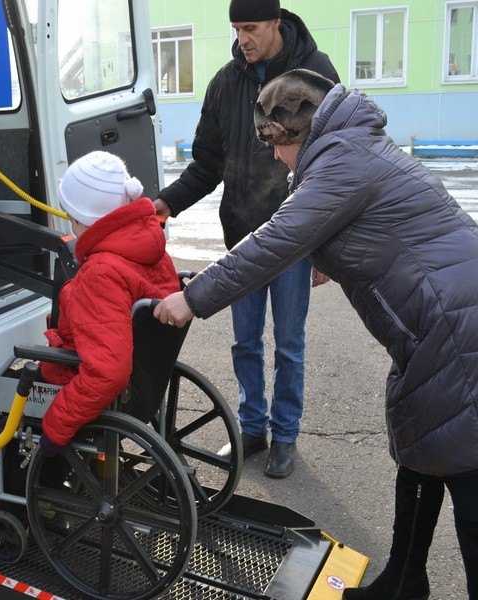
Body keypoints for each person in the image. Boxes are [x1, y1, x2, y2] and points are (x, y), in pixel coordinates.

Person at [154, 68, 478, 600]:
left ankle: (407, 583)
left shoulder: (341, 161)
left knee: (467, 470)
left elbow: (275, 239)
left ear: (293, 133)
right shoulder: (352, 147)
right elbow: (356, 226)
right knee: (424, 444)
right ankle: (403, 582)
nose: (278, 160)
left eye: (277, 147)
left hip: (454, 325)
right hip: (440, 321)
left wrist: (191, 300)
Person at [154, 0, 339, 478]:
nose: (243, 39)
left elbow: (336, 164)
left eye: (251, 27)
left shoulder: (315, 74)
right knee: (245, 344)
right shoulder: (224, 83)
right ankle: (252, 430)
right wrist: (164, 204)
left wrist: (327, 248)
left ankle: (286, 436)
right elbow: (205, 165)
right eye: (236, 29)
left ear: (277, 23)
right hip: (242, 236)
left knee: (289, 344)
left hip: (296, 238)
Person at [36, 151, 181, 456]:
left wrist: (54, 427)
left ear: (80, 218)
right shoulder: (152, 251)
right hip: (148, 380)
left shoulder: (100, 272)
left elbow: (107, 372)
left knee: (27, 385)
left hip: (111, 390)